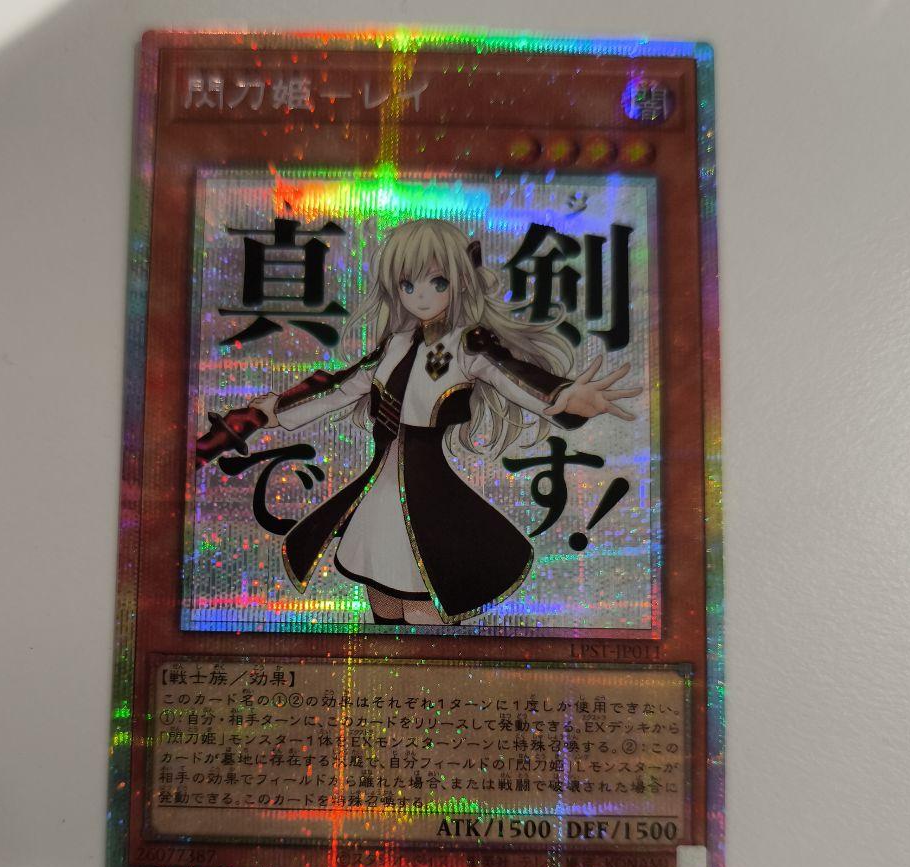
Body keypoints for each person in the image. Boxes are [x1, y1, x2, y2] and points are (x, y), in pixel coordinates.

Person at [250, 218, 641, 626]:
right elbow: (342, 387)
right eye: (407, 284)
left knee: (426, 600)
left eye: (437, 282)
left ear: (460, 280)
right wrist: (277, 410)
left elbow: (510, 375)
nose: (420, 296)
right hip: (380, 485)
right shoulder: (396, 344)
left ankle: (424, 665)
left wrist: (562, 398)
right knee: (381, 593)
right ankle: (384, 666)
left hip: (430, 492)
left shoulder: (467, 345)